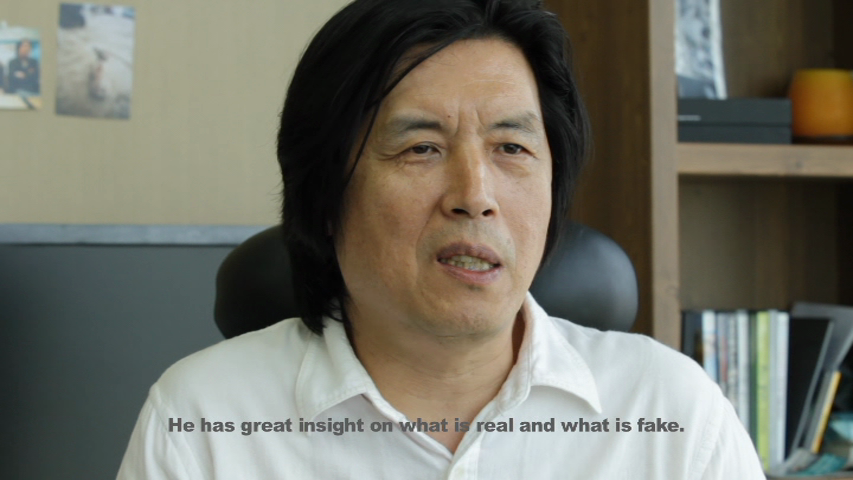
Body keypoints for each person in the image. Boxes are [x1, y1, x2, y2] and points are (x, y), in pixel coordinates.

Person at [117, 0, 764, 478]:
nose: (474, 194)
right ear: (325, 196)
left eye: (511, 147)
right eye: (421, 148)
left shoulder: (670, 413)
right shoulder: (205, 422)